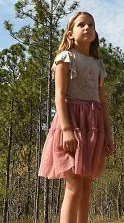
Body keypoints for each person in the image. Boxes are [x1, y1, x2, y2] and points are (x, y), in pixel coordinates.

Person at [38, 12, 114, 223]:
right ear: (71, 33)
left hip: (93, 126)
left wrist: (108, 134)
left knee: (86, 187)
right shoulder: (65, 58)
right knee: (73, 186)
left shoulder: (98, 65)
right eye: (81, 24)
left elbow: (102, 101)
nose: (87, 27)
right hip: (71, 123)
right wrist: (67, 130)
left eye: (91, 24)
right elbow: (59, 96)